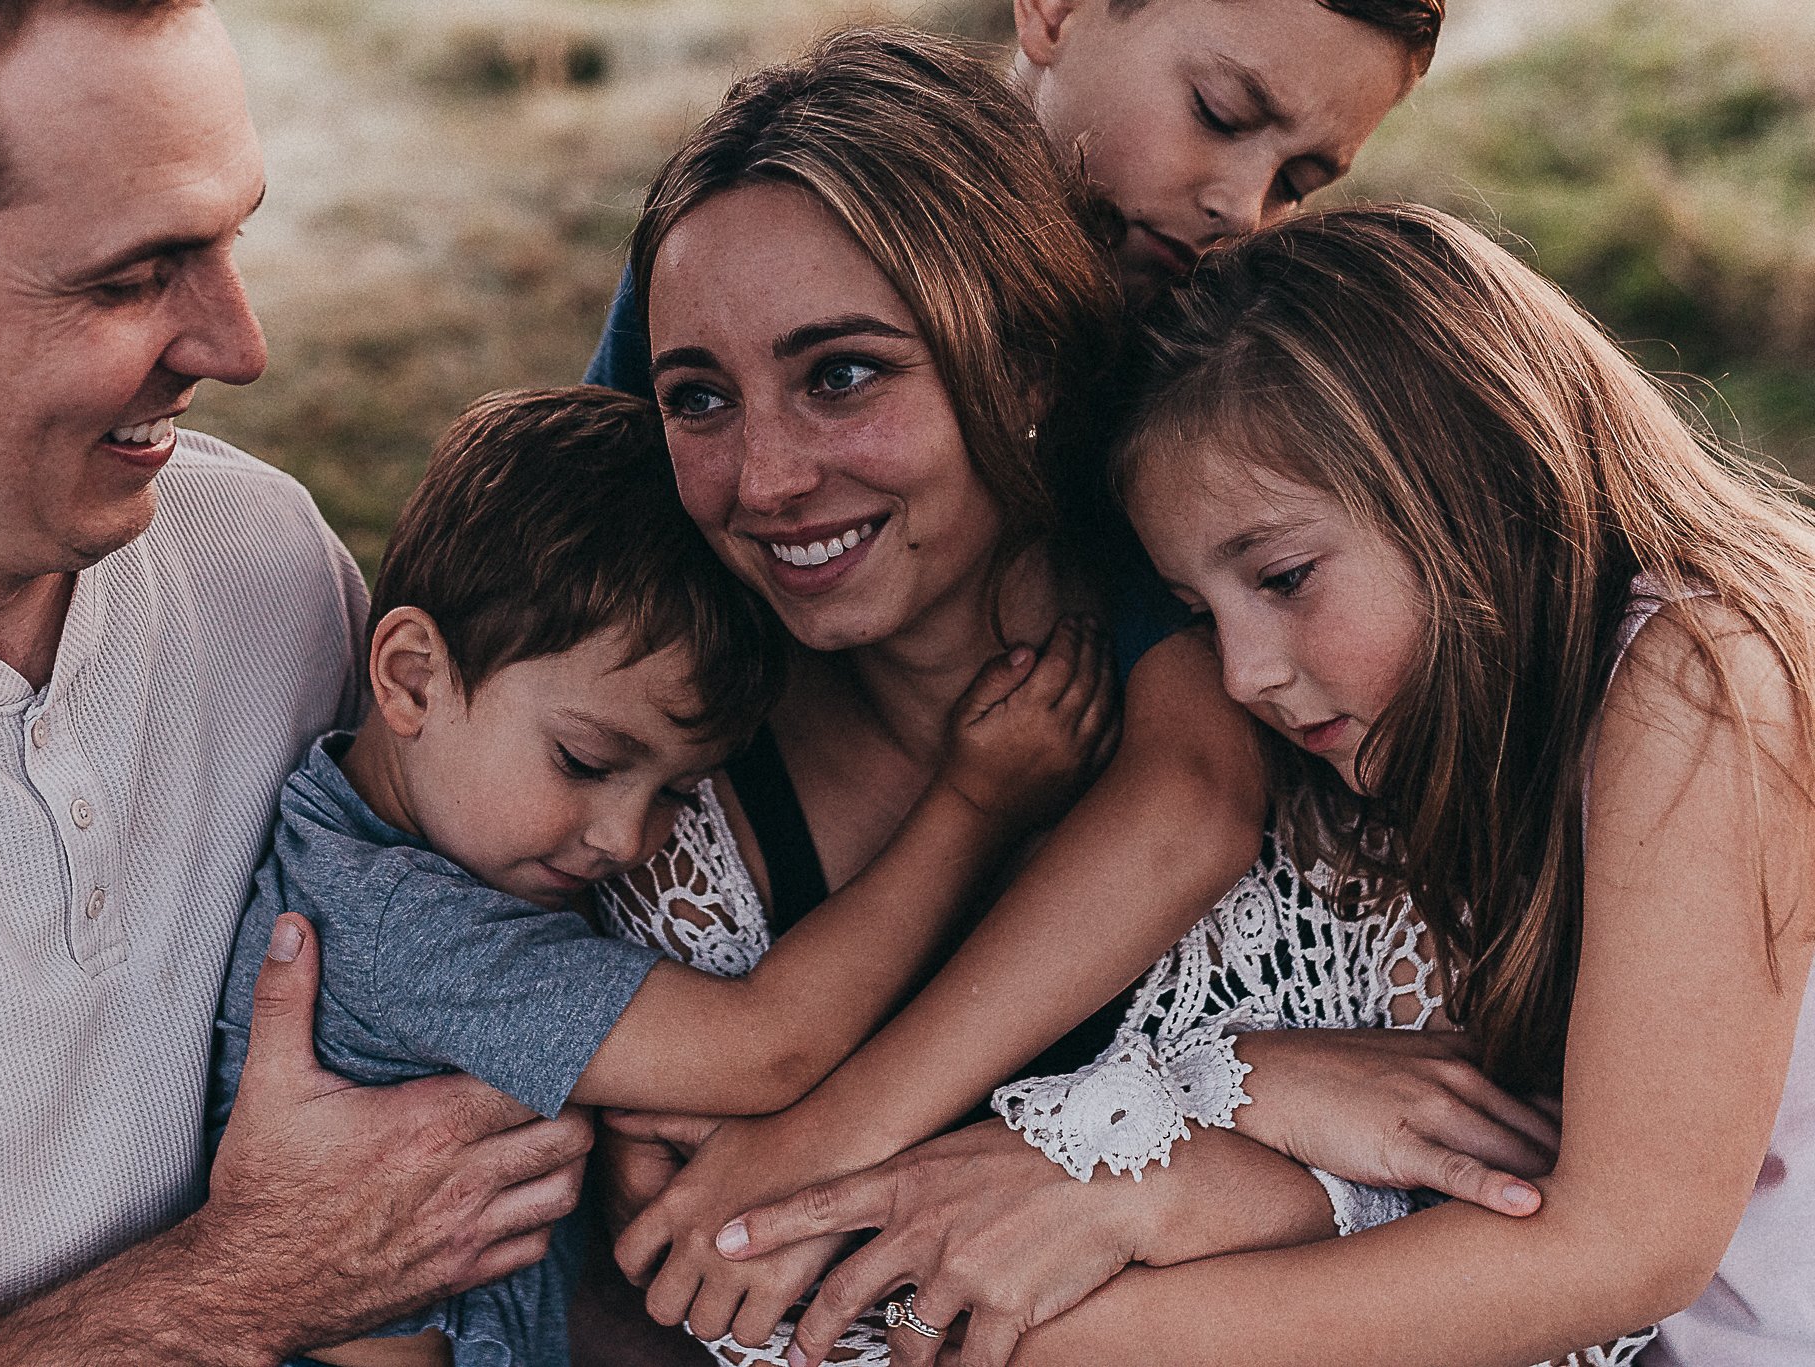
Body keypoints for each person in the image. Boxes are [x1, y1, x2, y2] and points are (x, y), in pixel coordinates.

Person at [564, 27, 1564, 1367]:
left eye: (842, 374)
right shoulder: (646, 813)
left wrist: (1193, 1128)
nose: (766, 478)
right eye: (697, 397)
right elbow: (694, 1298)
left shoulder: (1319, 723)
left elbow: (1559, 1265)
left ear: (1033, 369)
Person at [718, 204, 1815, 1366]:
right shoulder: (1440, 747)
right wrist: (1224, 1096)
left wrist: (1044, 1341)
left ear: (1480, 483)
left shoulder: (1702, 679)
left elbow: (1620, 1246)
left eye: (1282, 576)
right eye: (1195, 612)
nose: (1243, 672)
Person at [0, 3, 592, 1362]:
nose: (239, 344)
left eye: (231, 240)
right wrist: (238, 1288)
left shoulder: (263, 561)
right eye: (134, 277)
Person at [205, 385, 1112, 1367]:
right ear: (412, 675)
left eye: (678, 790)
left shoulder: (363, 836)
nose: (624, 835)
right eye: (586, 760)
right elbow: (768, 1046)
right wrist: (973, 804)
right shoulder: (403, 929)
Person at [584, 0, 1435, 397]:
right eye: (1220, 113)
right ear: (1056, 11)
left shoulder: (1198, 365)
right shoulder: (765, 225)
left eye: (1296, 184)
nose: (1244, 210)